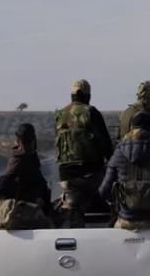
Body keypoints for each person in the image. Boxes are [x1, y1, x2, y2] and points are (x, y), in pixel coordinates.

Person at [54, 79, 114, 227]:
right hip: (91, 174)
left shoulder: (60, 114)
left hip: (65, 174)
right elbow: (105, 143)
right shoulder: (90, 112)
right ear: (87, 95)